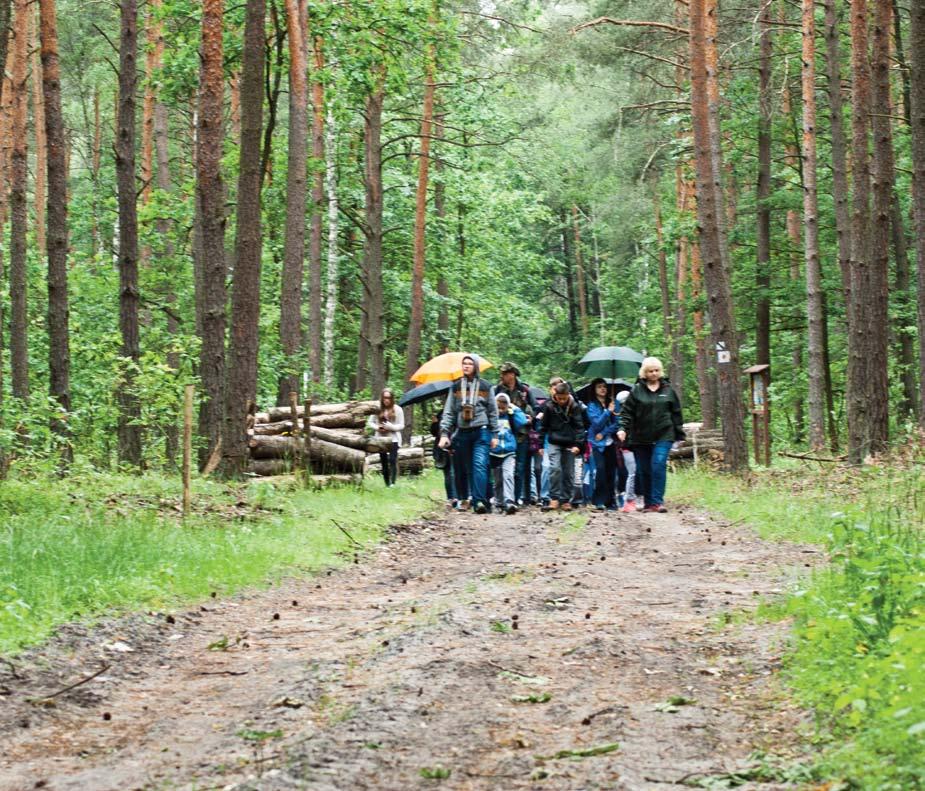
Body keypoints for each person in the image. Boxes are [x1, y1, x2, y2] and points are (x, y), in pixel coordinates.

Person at [617, 357, 684, 513]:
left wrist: (679, 434)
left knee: (658, 464)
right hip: (640, 436)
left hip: (664, 434)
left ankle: (657, 502)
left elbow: (676, 413)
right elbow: (627, 413)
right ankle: (648, 503)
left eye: (656, 371)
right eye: (650, 371)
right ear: (644, 373)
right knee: (644, 470)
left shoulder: (668, 390)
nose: (654, 374)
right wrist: (622, 428)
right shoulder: (637, 390)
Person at [439, 355, 499, 514]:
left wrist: (495, 434)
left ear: (476, 366)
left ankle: (479, 501)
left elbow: (493, 411)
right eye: (464, 364)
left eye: (469, 364)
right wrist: (444, 433)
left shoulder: (486, 386)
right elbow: (449, 411)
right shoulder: (456, 386)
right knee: (464, 467)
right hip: (462, 431)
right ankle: (465, 497)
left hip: (482, 430)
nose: (466, 366)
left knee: (479, 464)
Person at [536, 381, 586, 511]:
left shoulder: (575, 406)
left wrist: (578, 445)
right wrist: (540, 444)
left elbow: (580, 427)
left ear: (568, 394)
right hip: (554, 442)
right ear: (555, 395)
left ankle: (565, 500)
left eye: (564, 398)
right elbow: (543, 426)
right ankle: (554, 498)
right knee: (555, 469)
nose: (562, 401)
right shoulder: (549, 406)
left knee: (569, 472)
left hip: (570, 443)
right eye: (559, 398)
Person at [492, 362, 536, 506]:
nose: (502, 376)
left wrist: (531, 417)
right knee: (499, 470)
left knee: (520, 468)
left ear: (512, 374)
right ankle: (500, 499)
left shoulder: (524, 390)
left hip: (521, 435)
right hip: (501, 434)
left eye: (505, 373)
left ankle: (515, 498)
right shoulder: (496, 389)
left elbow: (536, 408)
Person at [586, 378, 620, 510]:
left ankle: (611, 501)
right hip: (596, 444)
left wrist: (605, 432)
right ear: (594, 390)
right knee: (600, 470)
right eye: (599, 387)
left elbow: (617, 424)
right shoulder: (591, 406)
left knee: (612, 472)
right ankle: (598, 500)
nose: (603, 389)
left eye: (605, 386)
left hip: (610, 442)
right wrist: (607, 412)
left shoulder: (613, 403)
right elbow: (596, 424)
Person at [491, 392, 527, 514]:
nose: (500, 410)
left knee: (508, 475)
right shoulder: (492, 417)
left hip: (509, 451)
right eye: (498, 407)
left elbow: (522, 422)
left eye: (503, 407)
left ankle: (509, 501)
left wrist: (514, 409)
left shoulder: (511, 416)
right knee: (497, 479)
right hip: (494, 452)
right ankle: (499, 501)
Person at [367, 388, 404, 486]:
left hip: (394, 438)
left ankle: (393, 482)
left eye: (388, 398)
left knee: (392, 460)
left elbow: (401, 425)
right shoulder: (377, 409)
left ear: (392, 399)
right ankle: (387, 483)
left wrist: (391, 427)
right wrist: (377, 427)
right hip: (381, 438)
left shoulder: (398, 409)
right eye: (384, 398)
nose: (386, 400)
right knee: (383, 461)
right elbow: (370, 422)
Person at [615, 390, 642, 512]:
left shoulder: (638, 412)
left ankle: (641, 496)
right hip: (626, 446)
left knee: (640, 471)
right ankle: (629, 499)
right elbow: (619, 428)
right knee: (632, 472)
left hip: (638, 444)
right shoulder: (620, 416)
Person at [430, 411, 457, 508]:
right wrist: (434, 423)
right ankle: (451, 497)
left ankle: (456, 497)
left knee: (454, 473)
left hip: (455, 445)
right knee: (448, 474)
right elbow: (434, 433)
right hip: (442, 449)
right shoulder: (440, 414)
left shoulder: (457, 412)